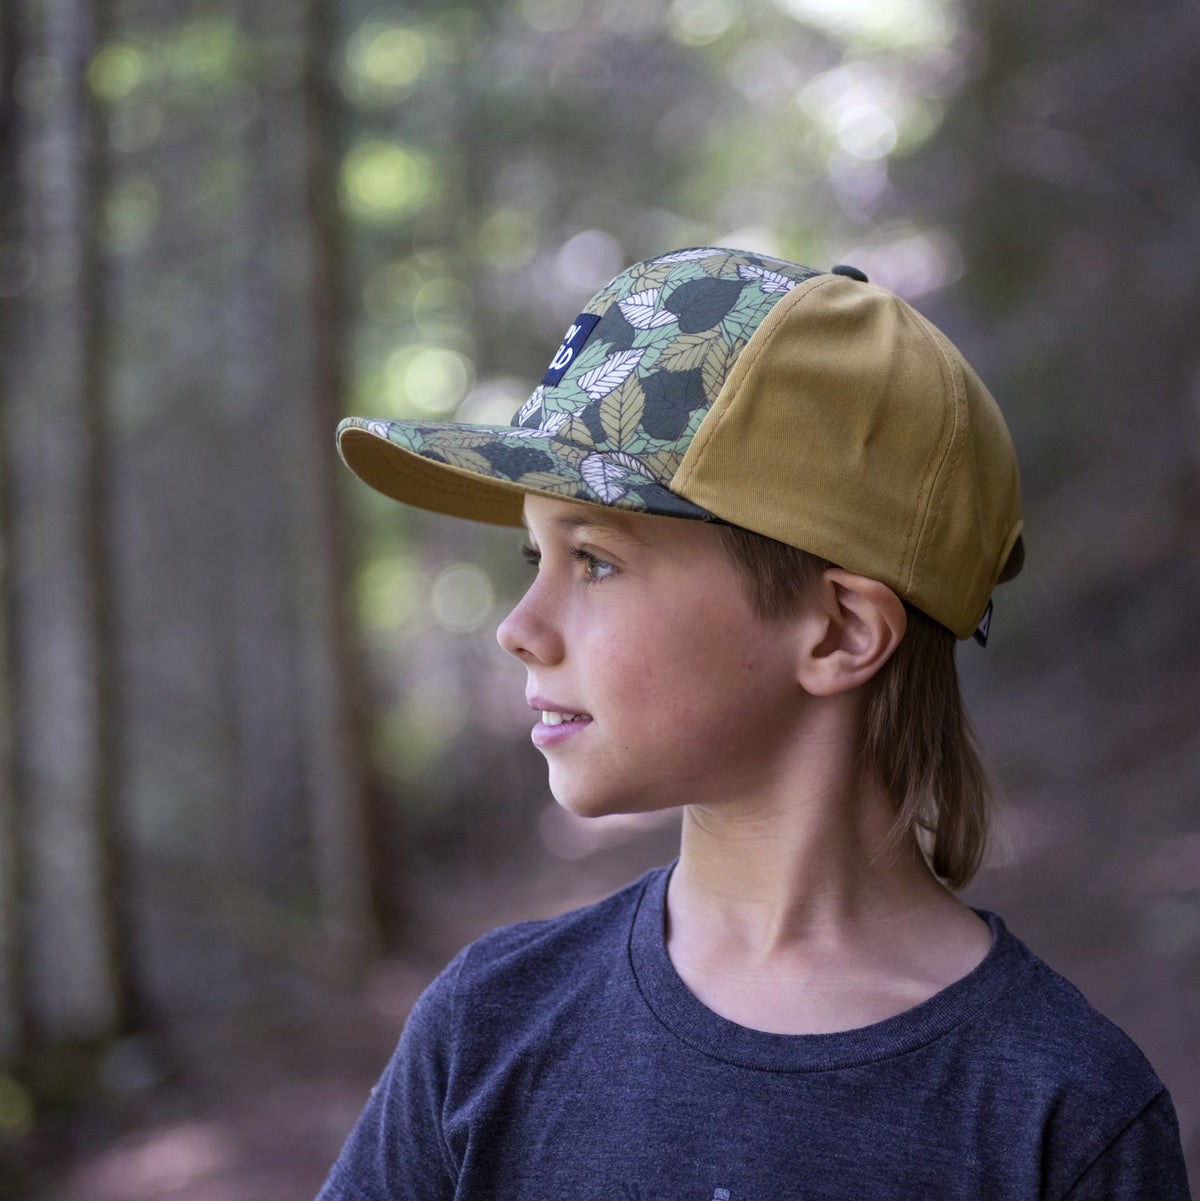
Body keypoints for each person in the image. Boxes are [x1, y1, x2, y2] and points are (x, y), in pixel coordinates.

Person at [316, 248, 1191, 1199]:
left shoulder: (1061, 1115)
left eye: (595, 561)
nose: (518, 628)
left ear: (841, 630)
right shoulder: (485, 1029)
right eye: (534, 556)